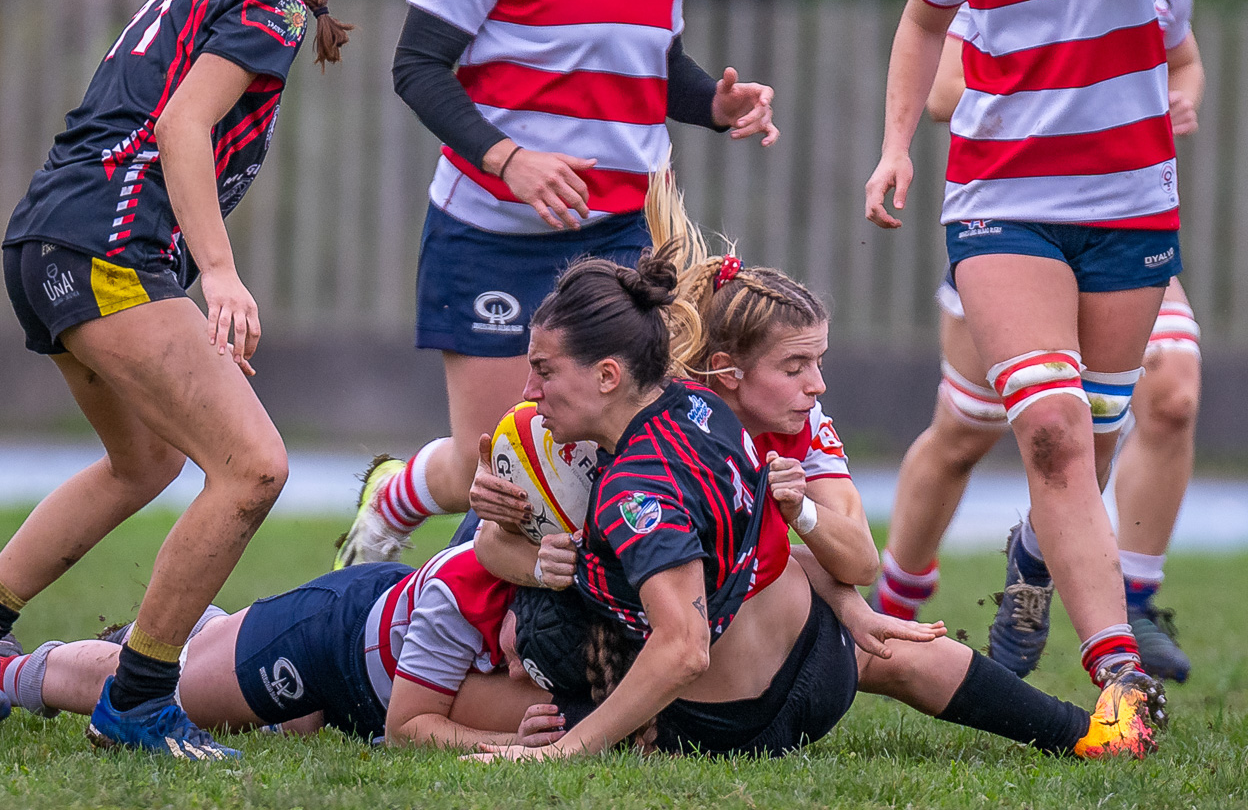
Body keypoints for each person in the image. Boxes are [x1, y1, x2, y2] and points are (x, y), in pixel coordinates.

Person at [0, 0, 366, 759]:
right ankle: (140, 698)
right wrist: (221, 274)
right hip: (106, 251)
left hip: (46, 241)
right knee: (255, 468)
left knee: (144, 462)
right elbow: (183, 129)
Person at [464, 177, 1164, 760]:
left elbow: (689, 640)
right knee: (897, 648)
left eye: (543, 371)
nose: (818, 384)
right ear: (726, 374)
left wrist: (570, 744)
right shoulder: (704, 422)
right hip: (813, 662)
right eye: (797, 365)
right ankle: (1089, 733)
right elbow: (750, 552)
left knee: (530, 633)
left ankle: (409, 691)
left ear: (611, 374)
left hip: (721, 714)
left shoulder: (643, 473)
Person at [864, 0, 1247, 692]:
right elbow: (920, 24)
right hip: (1000, 200)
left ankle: (1036, 556)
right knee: (1049, 426)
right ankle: (1118, 674)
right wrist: (897, 145)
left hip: (1126, 211)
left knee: (1099, 428)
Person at [334, 0, 777, 568]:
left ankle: (552, 643)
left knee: (598, 452)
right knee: (495, 464)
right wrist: (510, 159)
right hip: (489, 234)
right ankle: (399, 511)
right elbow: (417, 66)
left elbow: (655, 66)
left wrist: (715, 105)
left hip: (618, 238)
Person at [873, 0, 1209, 684]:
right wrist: (1061, 95)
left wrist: (1179, 95)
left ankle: (1120, 594)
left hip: (1122, 221)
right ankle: (892, 607)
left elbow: (1184, 60)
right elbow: (943, 91)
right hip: (1017, 220)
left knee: (1163, 395)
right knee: (967, 429)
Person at [0, 546, 569, 750]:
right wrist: (511, 744)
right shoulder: (459, 590)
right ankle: (2, 667)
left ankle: (208, 631)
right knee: (171, 687)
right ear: (520, 593)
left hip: (360, 686)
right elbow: (407, 729)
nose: (518, 671)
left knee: (281, 721)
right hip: (325, 638)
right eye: (520, 651)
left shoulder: (567, 602)